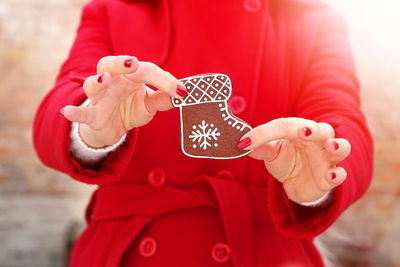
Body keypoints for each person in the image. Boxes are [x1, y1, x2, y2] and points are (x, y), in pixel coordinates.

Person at [32, 0, 373, 266]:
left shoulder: (313, 19)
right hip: (129, 251)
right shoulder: (114, 9)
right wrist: (92, 128)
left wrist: (320, 170)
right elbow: (65, 98)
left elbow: (340, 116)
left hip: (263, 253)